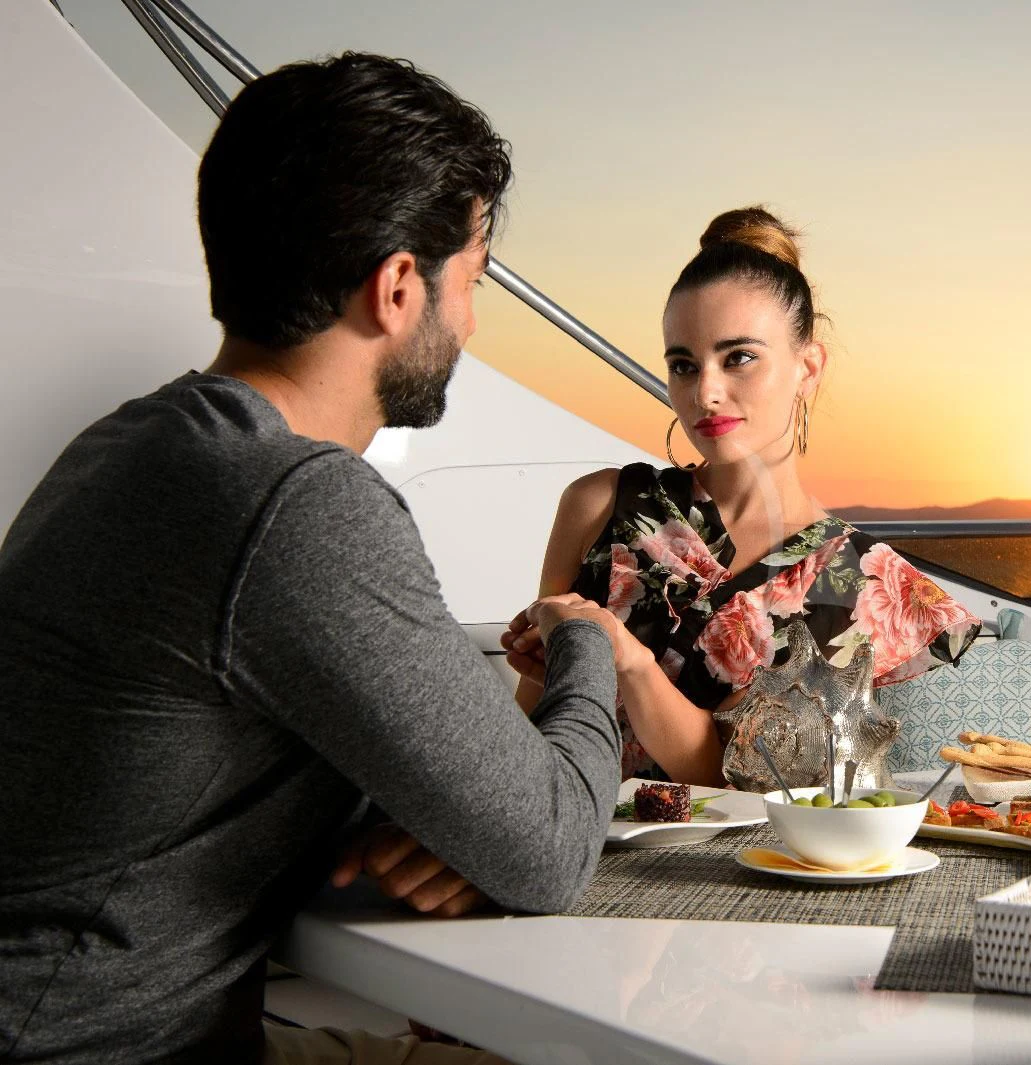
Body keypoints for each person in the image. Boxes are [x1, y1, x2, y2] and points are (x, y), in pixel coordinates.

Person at [0, 53, 627, 1065]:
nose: (468, 323)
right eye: (468, 284)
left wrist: (466, 827)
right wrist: (587, 637)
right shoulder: (297, 503)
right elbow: (551, 849)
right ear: (394, 289)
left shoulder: (134, 446)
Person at [502, 207, 980, 786]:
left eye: (739, 358)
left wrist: (629, 662)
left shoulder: (862, 586)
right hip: (581, 845)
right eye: (683, 364)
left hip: (742, 868)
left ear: (808, 367)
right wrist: (537, 671)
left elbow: (740, 778)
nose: (705, 391)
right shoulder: (599, 506)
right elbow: (533, 733)